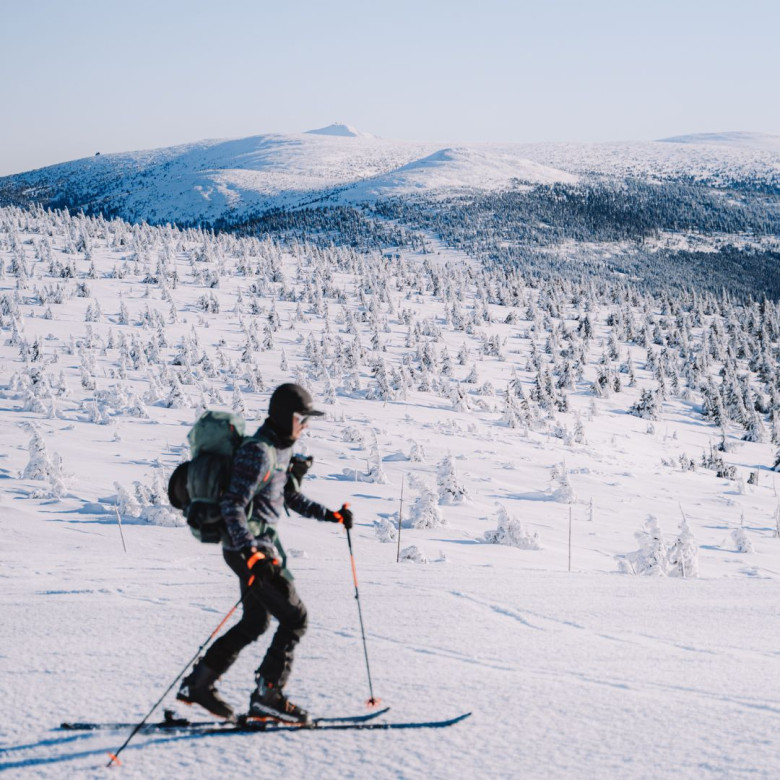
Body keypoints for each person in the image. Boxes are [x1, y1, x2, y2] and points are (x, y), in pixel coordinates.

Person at [177, 383, 353, 724]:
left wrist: (331, 515)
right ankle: (267, 695)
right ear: (286, 417)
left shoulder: (279, 450)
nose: (306, 426)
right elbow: (232, 504)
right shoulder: (258, 451)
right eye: (303, 419)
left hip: (255, 549)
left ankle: (199, 685)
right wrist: (252, 552)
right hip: (250, 550)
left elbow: (288, 498)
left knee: (256, 621)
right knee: (294, 618)